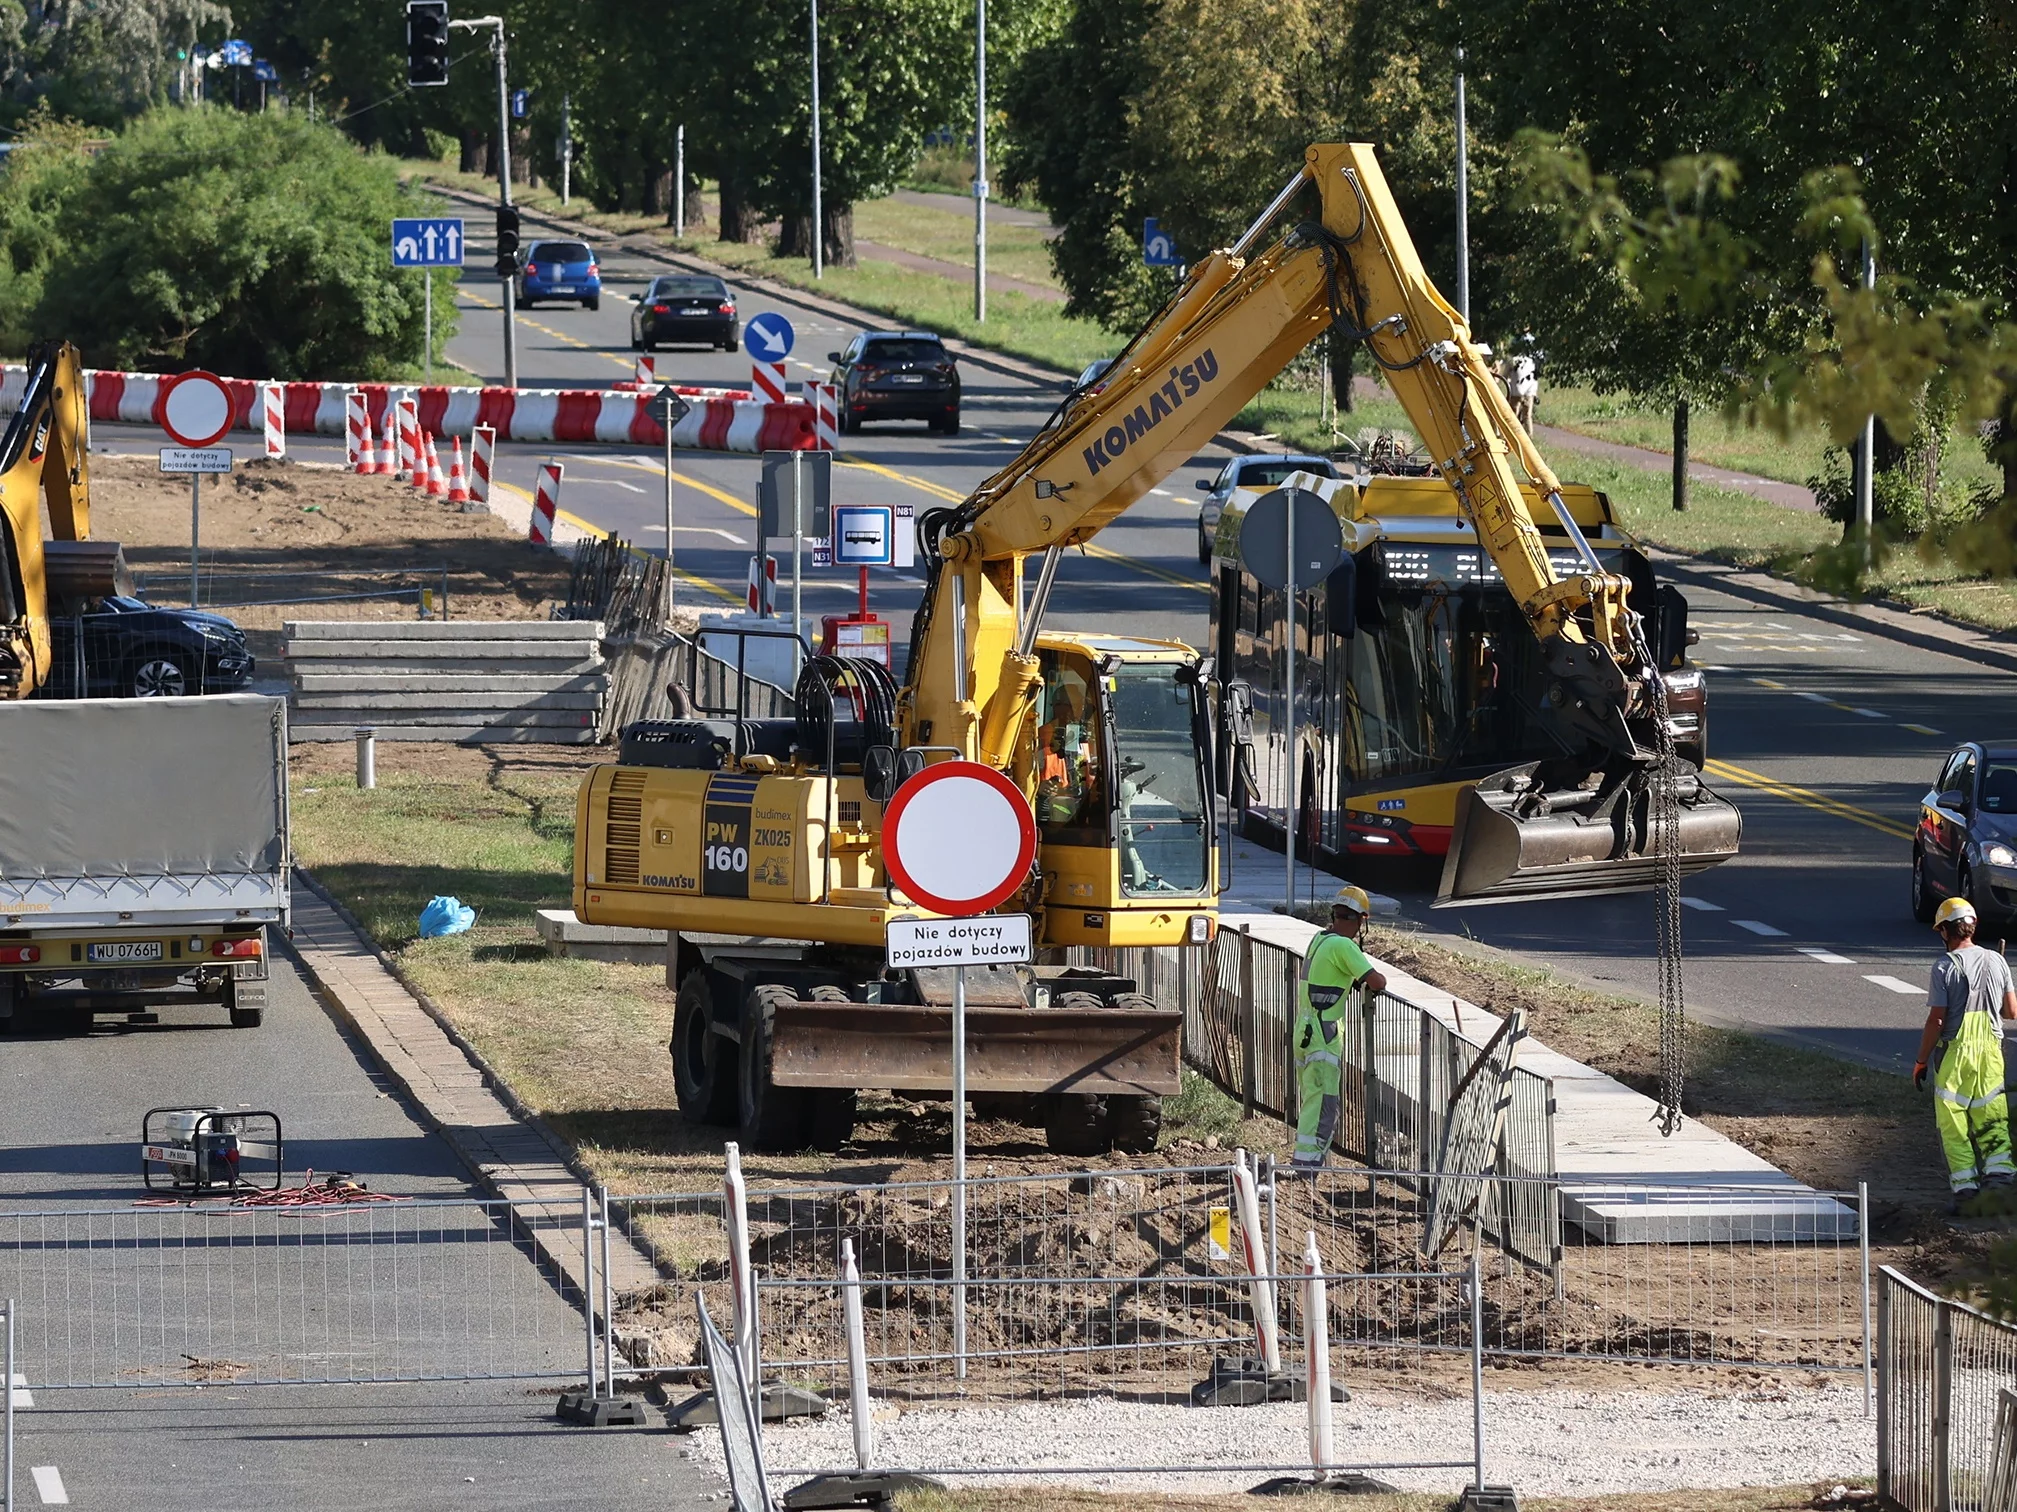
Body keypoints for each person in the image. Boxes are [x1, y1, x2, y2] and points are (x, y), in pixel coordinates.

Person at [1912, 896, 2017, 1210]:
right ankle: (2000, 1182)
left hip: (1956, 1053)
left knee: (1953, 1122)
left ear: (1945, 931)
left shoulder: (1944, 966)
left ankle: (1966, 1191)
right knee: (1992, 1116)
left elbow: (1937, 1020)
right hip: (1991, 1053)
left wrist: (1920, 1061)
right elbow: (2010, 1011)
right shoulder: (1996, 960)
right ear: (1972, 927)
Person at [1292, 886, 1388, 1170]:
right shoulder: (1344, 946)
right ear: (1361, 921)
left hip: (1306, 1030)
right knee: (1323, 1106)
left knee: (1312, 1100)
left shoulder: (1319, 939)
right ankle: (1306, 1170)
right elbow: (1377, 982)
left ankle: (1305, 1166)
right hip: (1323, 1036)